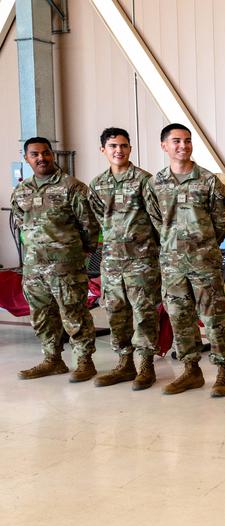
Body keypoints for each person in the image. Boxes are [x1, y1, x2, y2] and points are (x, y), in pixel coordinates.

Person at [149, 123, 225, 396]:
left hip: (203, 263)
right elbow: (155, 221)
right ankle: (191, 371)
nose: (183, 146)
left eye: (187, 140)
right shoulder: (155, 183)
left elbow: (220, 223)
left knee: (213, 320)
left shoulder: (209, 182)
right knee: (179, 318)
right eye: (176, 141)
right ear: (164, 146)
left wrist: (202, 247)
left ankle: (224, 372)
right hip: (172, 266)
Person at [12, 137, 100, 382]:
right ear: (27, 158)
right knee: (41, 315)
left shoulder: (72, 186)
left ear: (53, 155)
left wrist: (82, 252)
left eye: (46, 153)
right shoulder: (22, 191)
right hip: (34, 268)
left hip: (66, 266)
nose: (42, 158)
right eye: (35, 154)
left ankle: (85, 362)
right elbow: (21, 222)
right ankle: (53, 360)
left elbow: (89, 225)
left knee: (74, 314)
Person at [86, 127, 161, 390]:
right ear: (103, 150)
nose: (119, 150)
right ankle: (124, 364)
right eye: (113, 146)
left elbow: (158, 219)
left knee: (144, 314)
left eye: (124, 145)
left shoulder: (144, 181)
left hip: (141, 261)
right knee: (116, 314)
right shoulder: (97, 184)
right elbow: (99, 219)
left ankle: (146, 366)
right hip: (112, 263)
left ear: (130, 148)